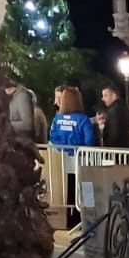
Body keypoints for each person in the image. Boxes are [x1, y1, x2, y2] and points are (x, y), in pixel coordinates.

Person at [49, 87, 96, 228]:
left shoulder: (57, 119)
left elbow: (53, 137)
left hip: (64, 160)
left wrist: (64, 148)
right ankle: (89, 217)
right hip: (82, 159)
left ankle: (71, 219)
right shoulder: (83, 119)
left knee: (69, 188)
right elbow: (89, 139)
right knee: (86, 187)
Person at [97, 85, 129, 150]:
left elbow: (114, 134)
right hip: (127, 148)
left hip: (118, 150)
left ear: (114, 96)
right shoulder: (123, 108)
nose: (102, 99)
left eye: (105, 95)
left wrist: (108, 148)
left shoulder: (114, 111)